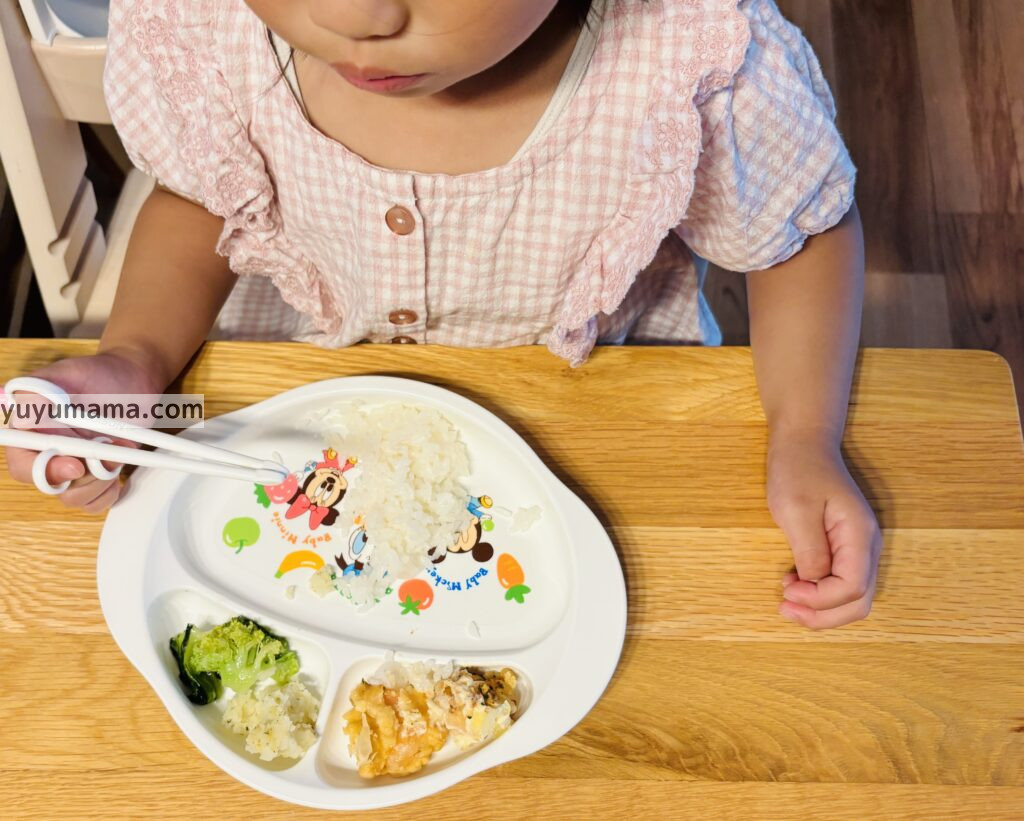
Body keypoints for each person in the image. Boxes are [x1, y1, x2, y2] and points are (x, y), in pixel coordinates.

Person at [2, 0, 880, 628]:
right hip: (297, 396)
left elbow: (800, 240)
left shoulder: (690, 50)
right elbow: (200, 200)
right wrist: (135, 358)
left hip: (596, 419)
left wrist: (803, 433)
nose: (358, 16)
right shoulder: (215, 30)